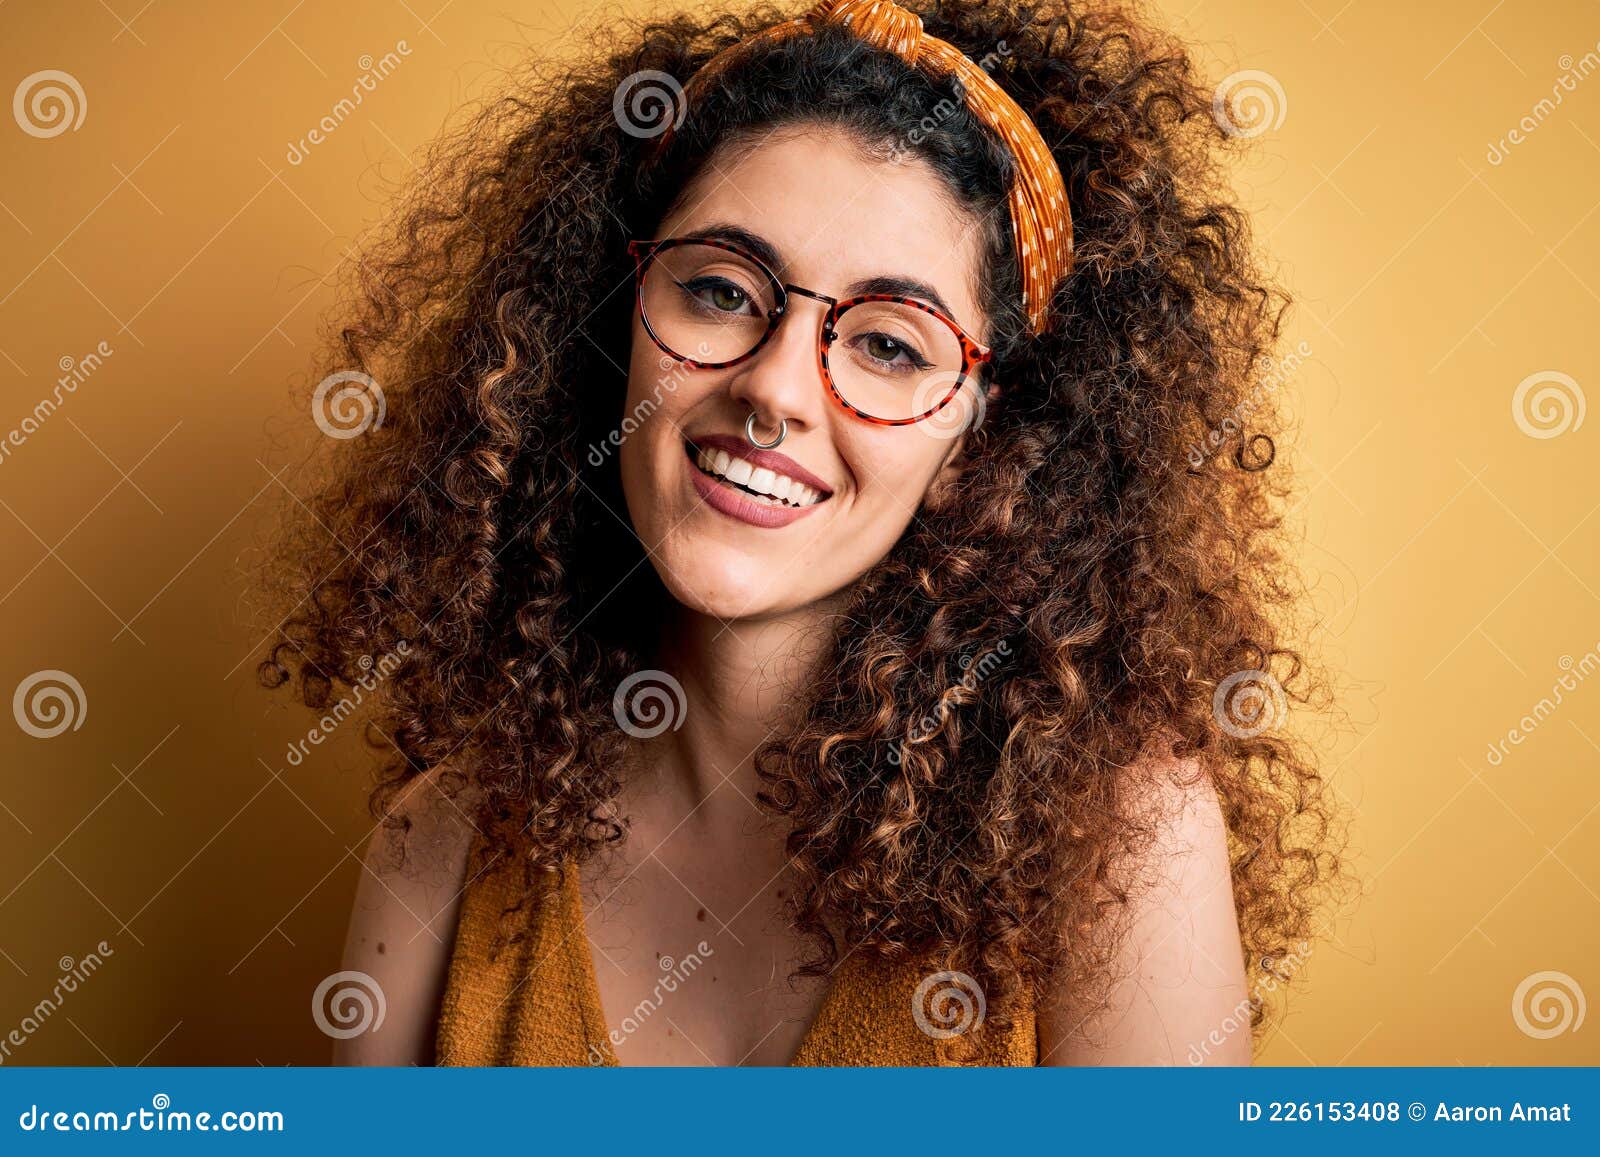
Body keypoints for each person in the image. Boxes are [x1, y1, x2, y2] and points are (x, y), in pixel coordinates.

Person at [260, 0, 1338, 1066]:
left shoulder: (1114, 838)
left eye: (888, 345)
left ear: (983, 429)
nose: (774, 387)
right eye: (722, 290)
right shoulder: (441, 838)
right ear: (614, 315)